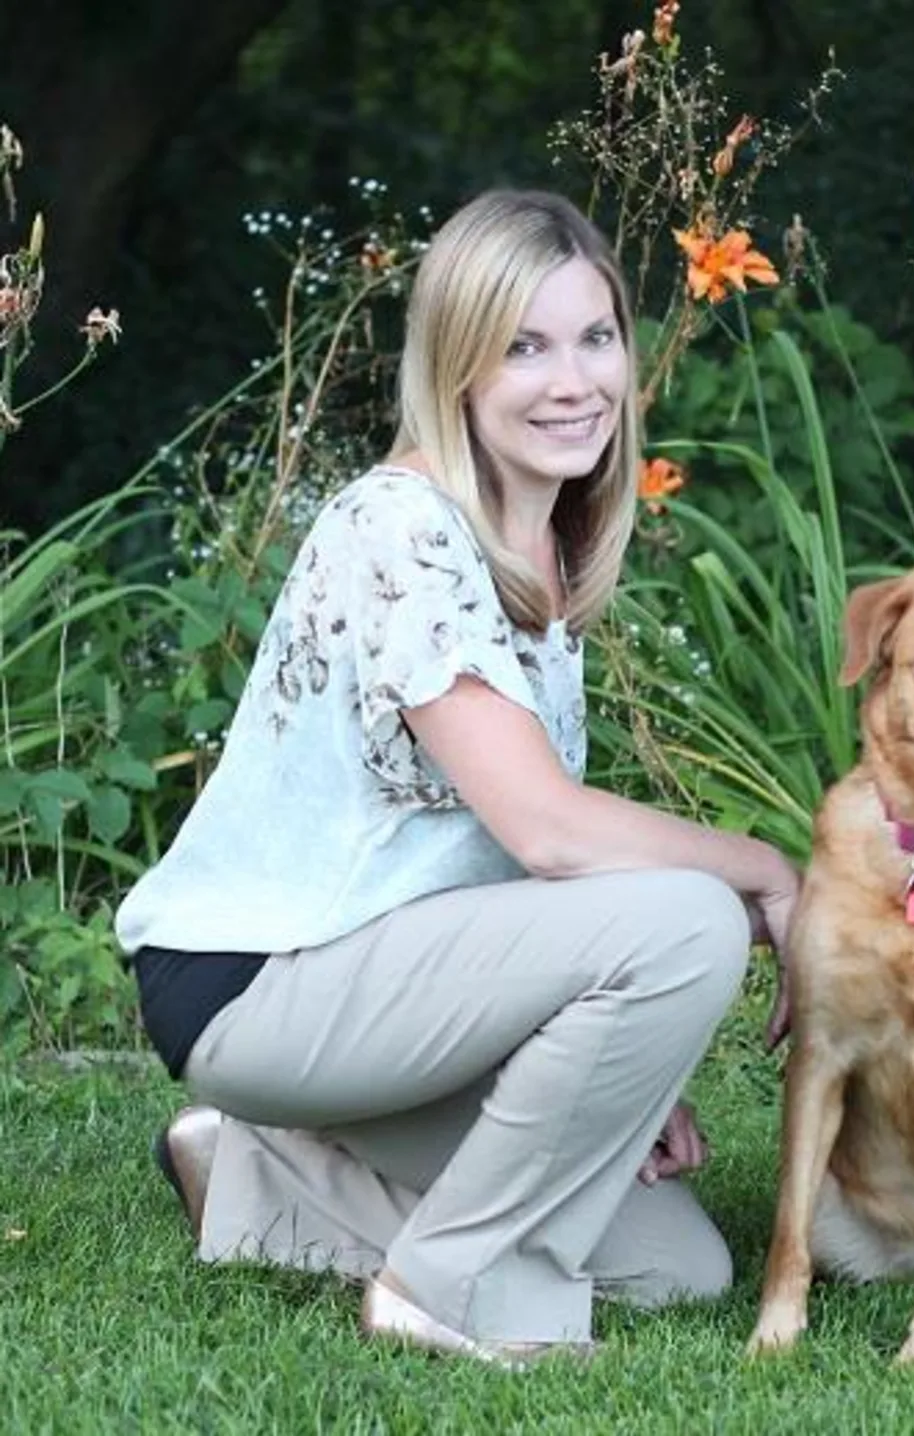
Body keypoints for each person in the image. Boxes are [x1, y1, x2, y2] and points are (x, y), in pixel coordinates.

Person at [117, 188, 800, 1367]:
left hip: (385, 982)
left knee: (678, 1264)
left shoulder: (542, 547)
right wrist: (771, 873)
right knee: (693, 914)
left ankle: (252, 1165)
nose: (573, 379)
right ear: (460, 368)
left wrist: (608, 1092)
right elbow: (548, 833)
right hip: (261, 979)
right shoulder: (405, 527)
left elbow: (492, 868)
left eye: (595, 338)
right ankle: (451, 1293)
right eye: (524, 346)